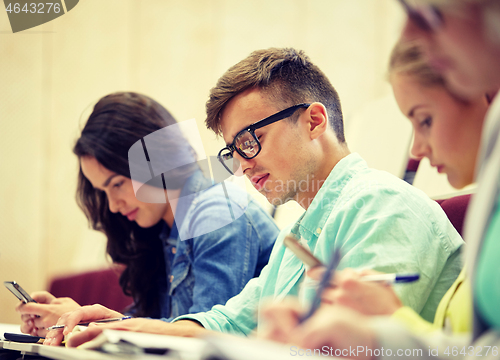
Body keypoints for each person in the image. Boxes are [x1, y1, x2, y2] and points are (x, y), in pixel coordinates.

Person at [44, 48, 464, 348]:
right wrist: (118, 327)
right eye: (233, 150)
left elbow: (355, 347)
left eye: (250, 141)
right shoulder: (298, 235)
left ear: (314, 121)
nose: (242, 165)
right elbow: (228, 322)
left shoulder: (381, 205)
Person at [261, 1, 500, 358]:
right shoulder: (296, 230)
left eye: (425, 120)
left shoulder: (384, 204)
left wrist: (387, 327)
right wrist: (373, 335)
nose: (416, 151)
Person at [16, 91, 279, 337]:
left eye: (117, 184)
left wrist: (98, 326)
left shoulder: (218, 213)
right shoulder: (164, 227)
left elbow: (204, 335)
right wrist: (77, 322)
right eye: (103, 191)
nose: (112, 206)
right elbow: (160, 322)